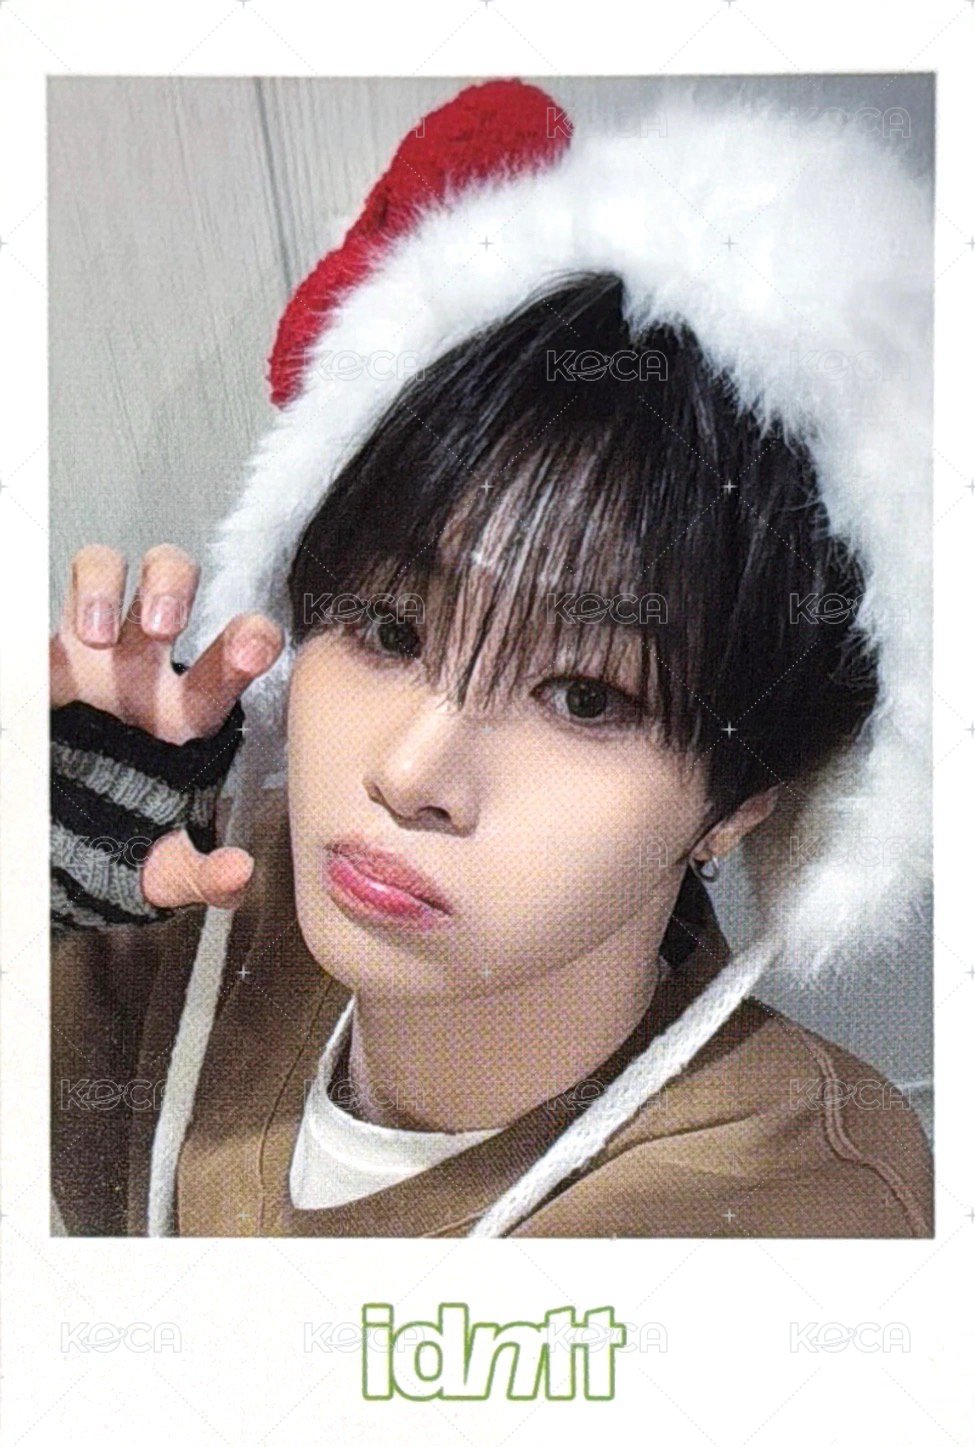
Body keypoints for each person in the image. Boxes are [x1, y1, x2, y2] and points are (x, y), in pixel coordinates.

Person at [50, 79, 933, 1239]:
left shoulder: (782, 1204)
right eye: (388, 629)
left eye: (584, 696)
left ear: (739, 803)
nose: (410, 774)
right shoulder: (177, 916)